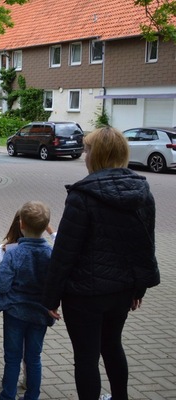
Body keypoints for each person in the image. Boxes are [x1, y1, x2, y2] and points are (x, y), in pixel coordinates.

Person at [43, 127, 159, 400]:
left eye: (87, 149)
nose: (84, 155)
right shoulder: (143, 192)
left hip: (84, 295)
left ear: (98, 155)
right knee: (112, 346)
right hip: (121, 291)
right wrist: (138, 288)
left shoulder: (82, 196)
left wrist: (50, 298)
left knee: (86, 357)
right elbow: (145, 245)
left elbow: (64, 252)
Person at [0, 201, 55, 400]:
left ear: (21, 225)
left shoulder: (13, 253)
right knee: (34, 358)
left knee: (12, 357)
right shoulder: (51, 254)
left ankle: (8, 396)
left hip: (15, 313)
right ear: (45, 227)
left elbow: (2, 285)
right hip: (39, 314)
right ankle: (32, 396)